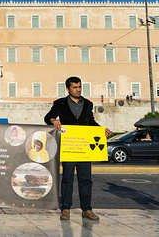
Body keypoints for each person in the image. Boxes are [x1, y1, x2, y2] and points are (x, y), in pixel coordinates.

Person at [44, 76, 112, 221]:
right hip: (69, 147)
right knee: (67, 179)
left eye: (80, 87)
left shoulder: (87, 104)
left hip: (85, 149)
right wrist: (54, 120)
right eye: (75, 87)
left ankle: (86, 209)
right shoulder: (60, 103)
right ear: (68, 89)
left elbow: (91, 121)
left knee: (86, 179)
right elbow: (47, 117)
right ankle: (66, 209)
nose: (78, 89)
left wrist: (101, 131)